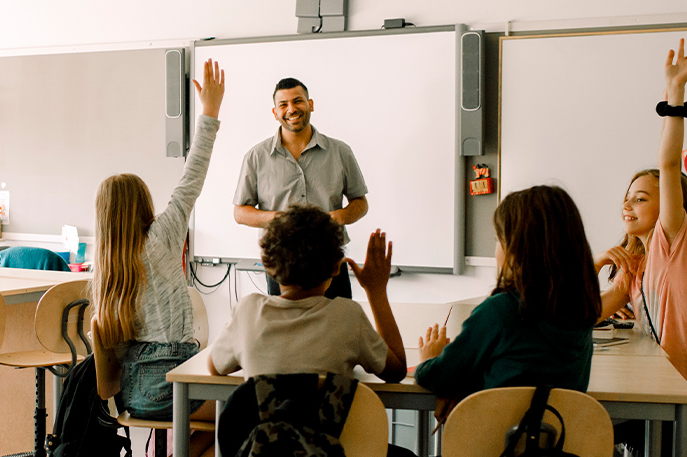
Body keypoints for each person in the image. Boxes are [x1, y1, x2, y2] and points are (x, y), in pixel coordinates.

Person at [91, 59, 223, 457]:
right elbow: (191, 180)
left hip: (132, 395)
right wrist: (210, 115)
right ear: (143, 204)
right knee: (242, 410)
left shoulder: (107, 263)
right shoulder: (160, 238)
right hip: (173, 383)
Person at [415, 185, 601, 421]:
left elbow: (438, 377)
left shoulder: (500, 313)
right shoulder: (583, 313)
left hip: (495, 448)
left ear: (518, 249)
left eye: (498, 240)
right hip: (558, 446)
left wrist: (428, 359)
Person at [207, 206, 406, 385]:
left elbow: (215, 366)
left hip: (264, 427)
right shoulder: (348, 317)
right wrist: (376, 292)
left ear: (267, 264)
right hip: (330, 428)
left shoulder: (248, 312)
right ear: (338, 266)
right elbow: (396, 371)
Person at [596, 39, 687, 378]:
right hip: (658, 384)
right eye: (628, 196)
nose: (627, 205)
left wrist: (674, 94)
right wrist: (595, 264)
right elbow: (585, 316)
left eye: (641, 198)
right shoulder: (633, 265)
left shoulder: (671, 240)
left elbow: (667, 162)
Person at [232, 78, 368, 299]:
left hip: (331, 260)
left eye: (298, 101)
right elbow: (240, 213)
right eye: (283, 104)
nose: (291, 109)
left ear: (310, 104)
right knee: (286, 331)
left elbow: (360, 203)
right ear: (275, 112)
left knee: (338, 330)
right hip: (281, 265)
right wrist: (282, 220)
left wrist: (338, 217)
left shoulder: (340, 151)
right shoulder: (256, 157)